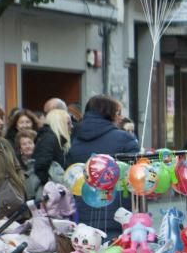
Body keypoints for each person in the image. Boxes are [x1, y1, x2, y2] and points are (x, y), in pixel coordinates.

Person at [67, 95, 139, 235]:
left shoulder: (74, 138)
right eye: (118, 113)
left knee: (87, 252)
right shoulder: (124, 138)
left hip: (84, 210)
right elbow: (135, 174)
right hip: (118, 212)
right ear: (109, 113)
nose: (120, 117)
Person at [0, 103, 25, 217]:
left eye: (1, 118)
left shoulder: (4, 143)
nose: (1, 122)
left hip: (15, 200)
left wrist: (19, 183)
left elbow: (17, 167)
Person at [30, 108, 71, 195]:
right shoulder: (50, 139)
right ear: (59, 124)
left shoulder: (53, 139)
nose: (71, 126)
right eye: (68, 123)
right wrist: (51, 187)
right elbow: (40, 167)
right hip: (50, 193)